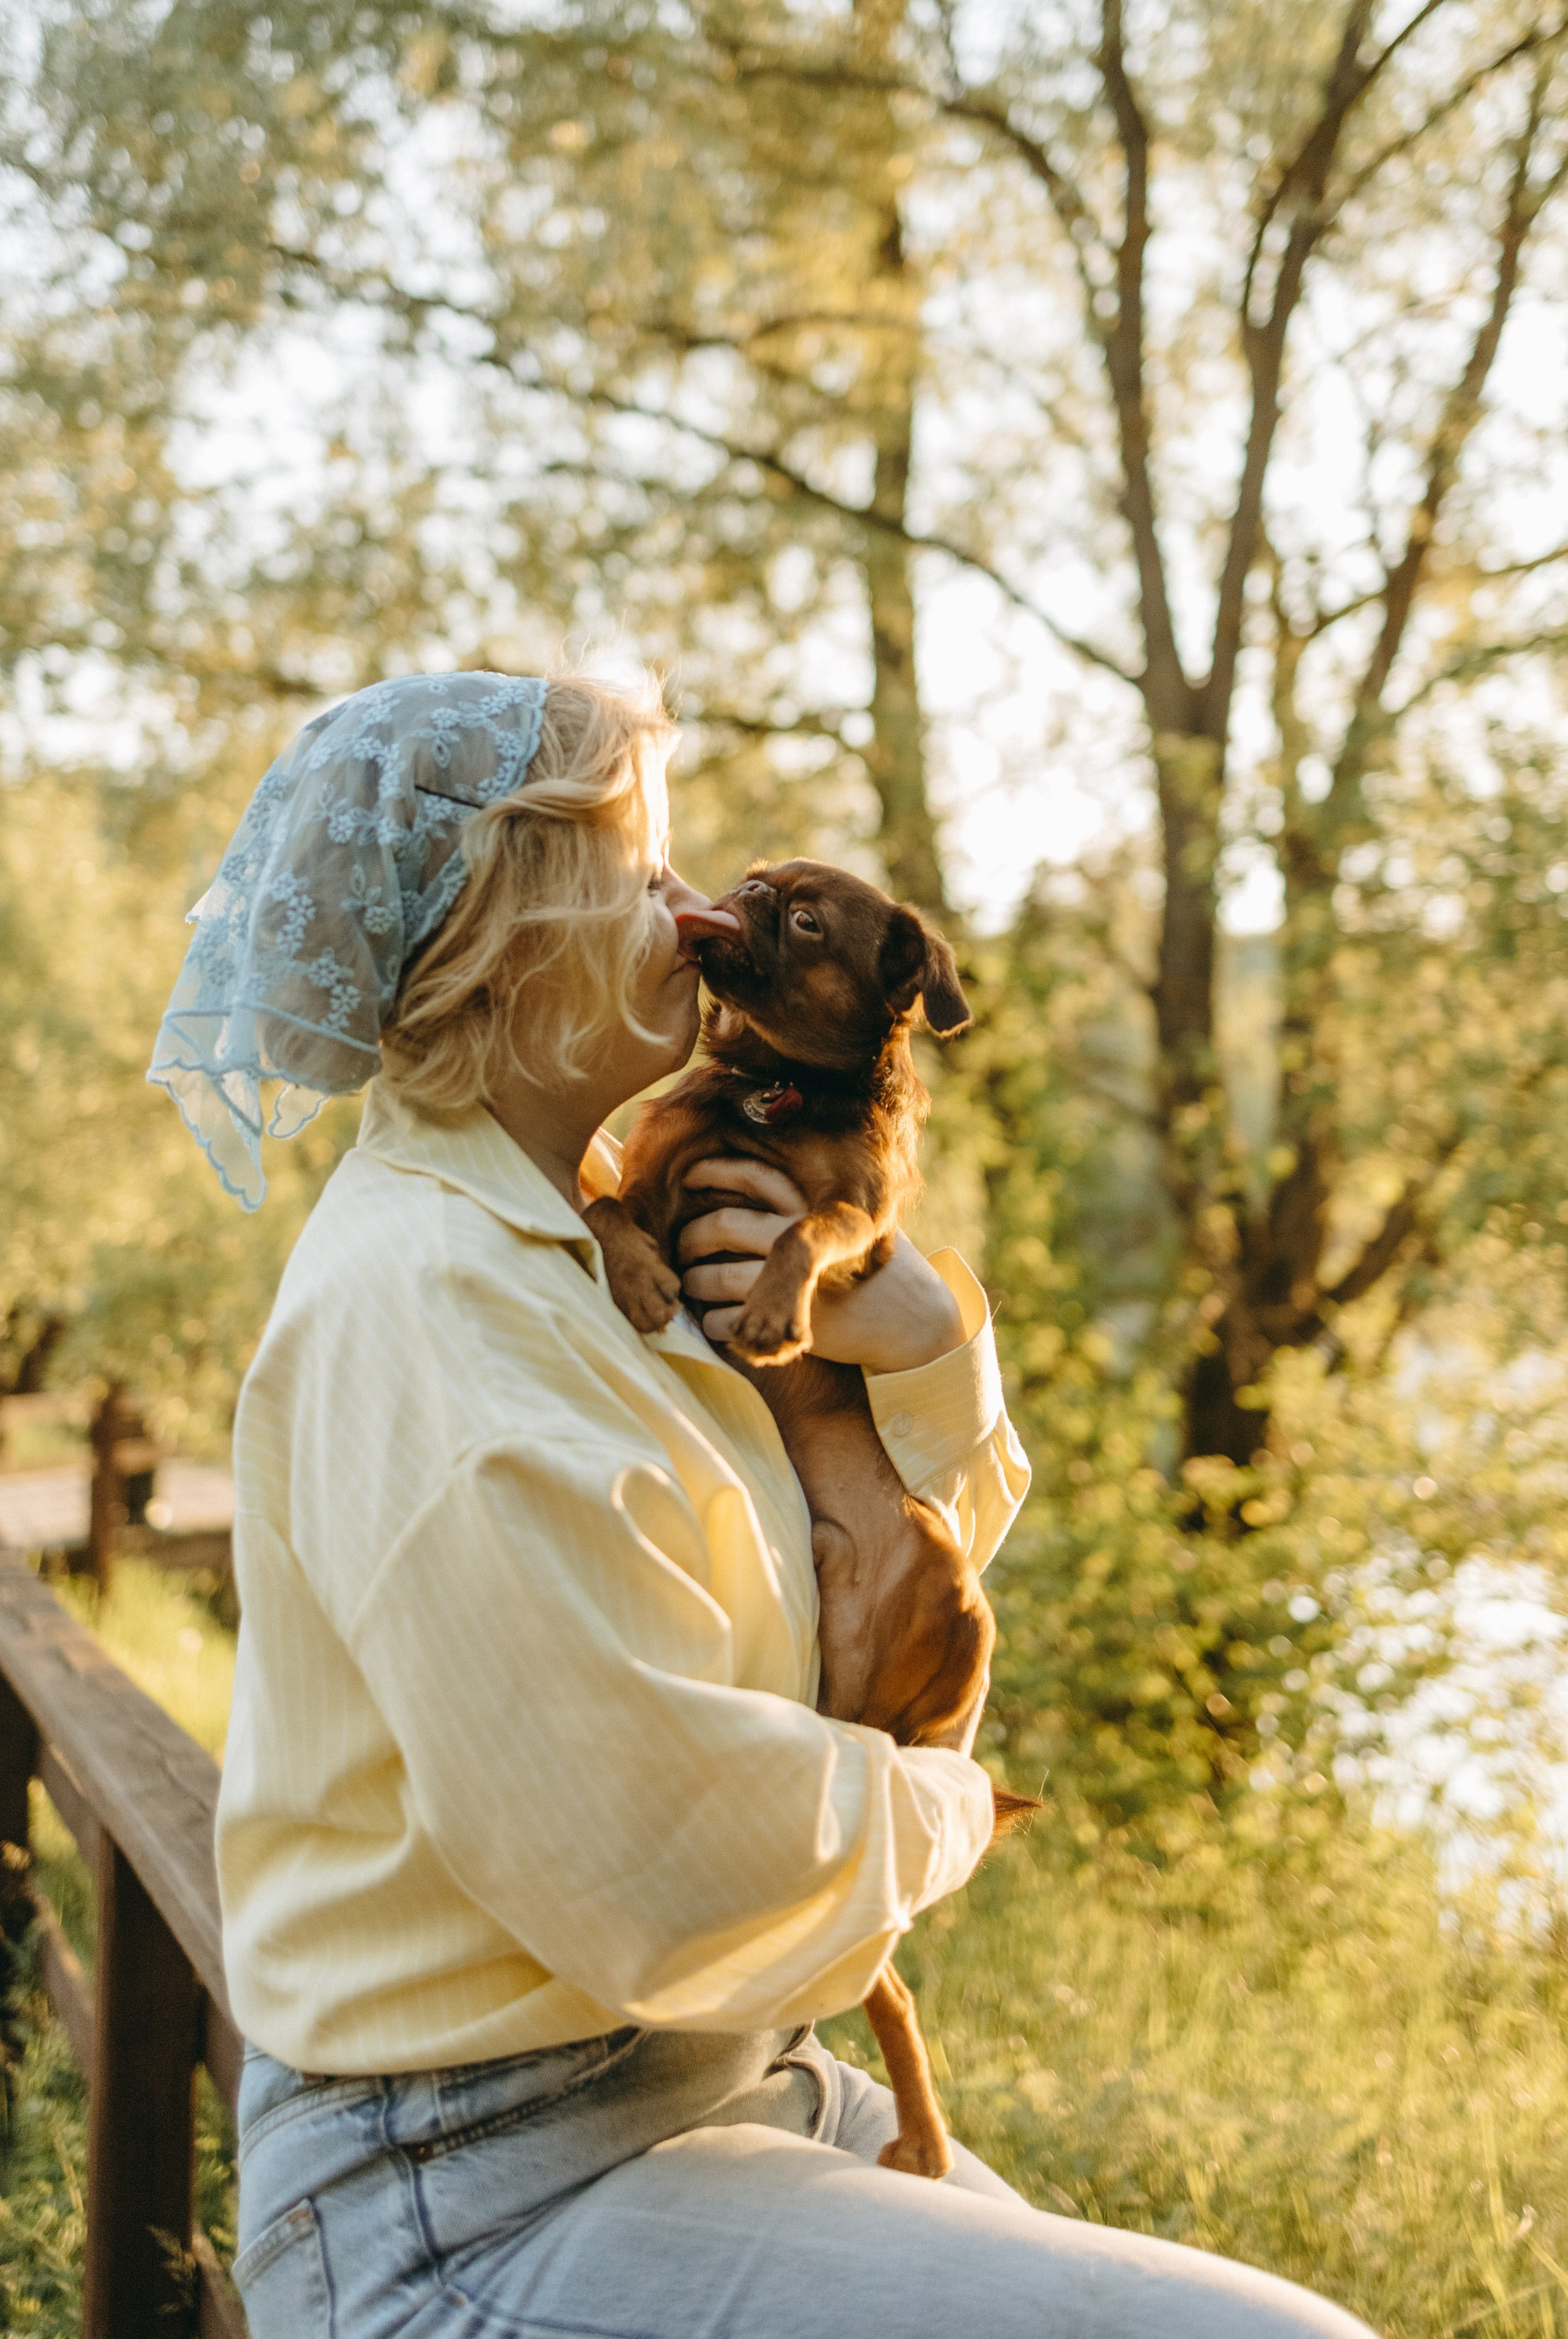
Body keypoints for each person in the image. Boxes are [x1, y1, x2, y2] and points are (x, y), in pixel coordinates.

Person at [150, 669, 1377, 2339]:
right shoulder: (435, 1309)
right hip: (463, 2193)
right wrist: (942, 1808)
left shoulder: (585, 1239)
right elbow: (658, 1867)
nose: (693, 904)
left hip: (711, 2086)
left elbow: (863, 1585)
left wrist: (930, 1349)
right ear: (505, 943)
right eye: (639, 865)